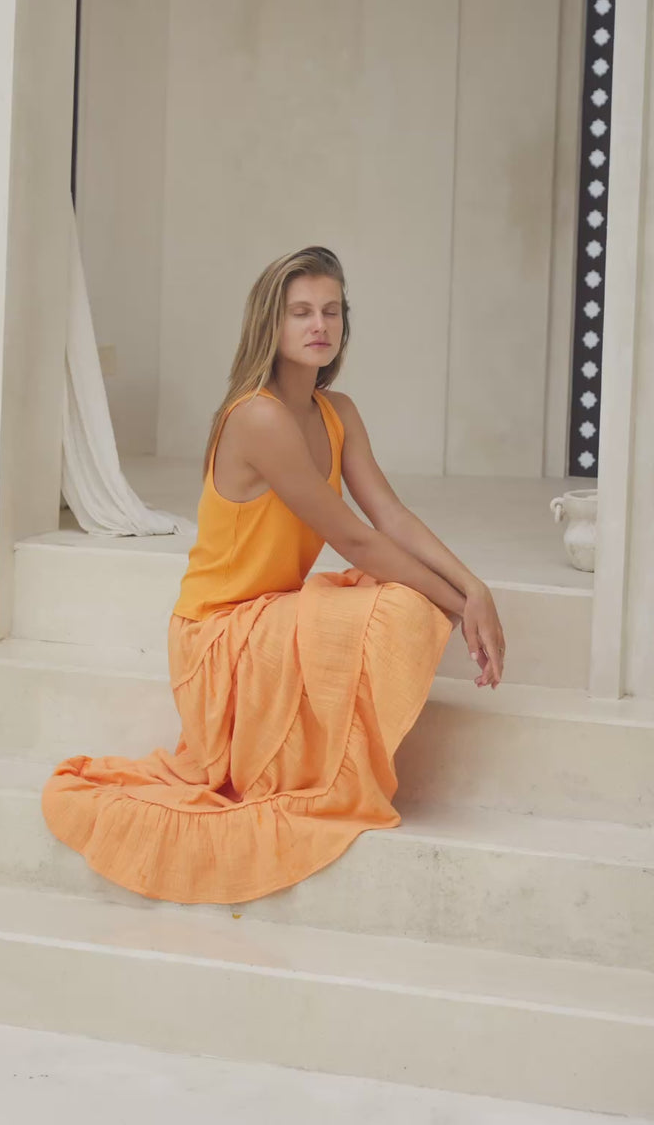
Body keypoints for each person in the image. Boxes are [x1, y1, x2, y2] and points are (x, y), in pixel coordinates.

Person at [41, 245, 506, 904]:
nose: (319, 325)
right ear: (272, 323)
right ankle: (315, 769)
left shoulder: (338, 411)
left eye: (332, 311)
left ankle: (318, 755)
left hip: (274, 617)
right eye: (301, 312)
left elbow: (391, 515)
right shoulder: (258, 416)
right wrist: (456, 606)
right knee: (399, 602)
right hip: (220, 634)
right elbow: (353, 537)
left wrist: (473, 587)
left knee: (402, 594)